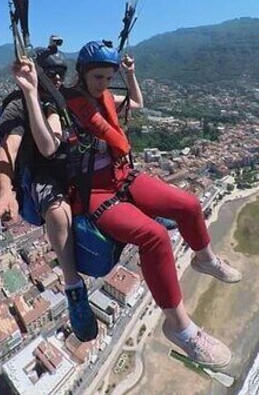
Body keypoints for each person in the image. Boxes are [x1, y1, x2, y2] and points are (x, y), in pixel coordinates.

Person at [62, 40, 242, 369]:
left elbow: (138, 102)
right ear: (83, 74)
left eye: (107, 78)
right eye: (98, 78)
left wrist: (130, 75)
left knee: (188, 204)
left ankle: (206, 259)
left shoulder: (107, 99)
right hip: (95, 192)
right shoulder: (66, 109)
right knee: (154, 236)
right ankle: (181, 328)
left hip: (123, 175)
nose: (103, 84)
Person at [0, 44, 98, 342]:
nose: (57, 79)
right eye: (51, 74)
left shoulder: (65, 101)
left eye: (61, 74)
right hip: (44, 173)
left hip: (74, 165)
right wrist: (4, 190)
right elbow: (8, 151)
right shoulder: (19, 105)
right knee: (56, 209)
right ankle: (74, 288)